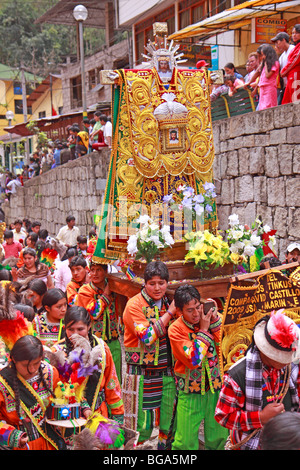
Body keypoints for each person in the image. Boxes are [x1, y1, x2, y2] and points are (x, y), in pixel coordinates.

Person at [214, 310, 300, 450]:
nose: (287, 362)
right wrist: (260, 417)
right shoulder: (237, 376)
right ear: (267, 351)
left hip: (287, 442)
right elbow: (223, 416)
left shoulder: (291, 369)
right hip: (250, 443)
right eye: (282, 358)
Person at [122, 261, 177, 449]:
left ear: (167, 283)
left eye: (161, 283)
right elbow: (147, 337)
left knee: (169, 425)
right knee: (141, 426)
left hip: (167, 373)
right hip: (141, 374)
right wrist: (170, 313)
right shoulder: (134, 305)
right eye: (152, 283)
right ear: (144, 283)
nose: (157, 288)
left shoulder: (170, 301)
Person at [168, 284, 229, 450]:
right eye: (190, 310)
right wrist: (203, 329)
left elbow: (225, 344)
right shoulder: (175, 330)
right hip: (190, 391)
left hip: (215, 387)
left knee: (219, 437)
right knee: (185, 442)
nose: (196, 314)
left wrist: (215, 320)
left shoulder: (210, 319)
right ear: (179, 311)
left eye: (197, 307)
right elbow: (193, 360)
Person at [52, 306, 123, 422]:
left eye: (80, 329)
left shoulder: (101, 349)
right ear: (64, 328)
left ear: (89, 326)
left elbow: (112, 383)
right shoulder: (57, 352)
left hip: (98, 414)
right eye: (71, 329)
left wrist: (118, 414)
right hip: (68, 418)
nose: (75, 334)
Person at [0, 335, 66, 450]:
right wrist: (12, 436)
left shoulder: (50, 372)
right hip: (22, 445)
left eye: (36, 363)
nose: (32, 369)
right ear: (14, 359)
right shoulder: (2, 382)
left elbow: (64, 399)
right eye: (25, 365)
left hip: (50, 442)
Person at [75, 261, 122, 384]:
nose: (94, 273)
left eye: (99, 270)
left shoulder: (115, 289)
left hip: (114, 341)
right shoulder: (85, 291)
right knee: (95, 381)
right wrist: (106, 294)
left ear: (106, 272)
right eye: (92, 270)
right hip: (93, 343)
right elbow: (94, 313)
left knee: (114, 380)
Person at [271, 31, 295, 104]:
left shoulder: (293, 49)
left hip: (295, 82)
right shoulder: (282, 56)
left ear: (284, 40)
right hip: (286, 85)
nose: (277, 45)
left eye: (277, 42)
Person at [280, 24, 300, 104]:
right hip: (291, 76)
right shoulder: (296, 47)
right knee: (287, 101)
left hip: (296, 74)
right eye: (292, 33)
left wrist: (283, 71)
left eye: (296, 33)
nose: (294, 35)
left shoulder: (297, 48)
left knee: (295, 100)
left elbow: (294, 61)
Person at [256, 44, 280, 110]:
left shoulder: (275, 63)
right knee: (262, 107)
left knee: (270, 105)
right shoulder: (264, 65)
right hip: (262, 87)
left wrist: (266, 65)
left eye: (263, 55)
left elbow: (268, 75)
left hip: (270, 87)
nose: (263, 57)